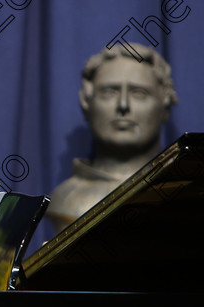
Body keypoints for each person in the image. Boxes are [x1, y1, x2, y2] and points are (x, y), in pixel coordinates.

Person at [46, 43, 178, 233]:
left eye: (139, 94)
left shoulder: (184, 193)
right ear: (86, 103)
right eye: (109, 92)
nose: (123, 105)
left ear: (165, 105)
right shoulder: (65, 199)